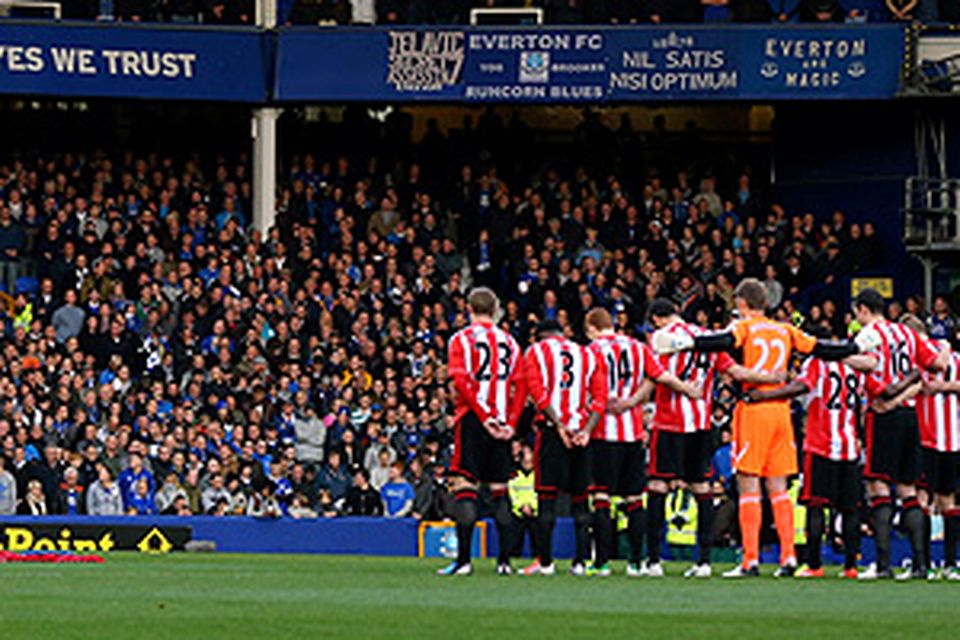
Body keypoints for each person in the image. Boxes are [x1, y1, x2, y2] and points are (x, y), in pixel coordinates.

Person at [652, 278, 879, 577]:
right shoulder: (785, 330)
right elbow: (821, 349)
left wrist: (688, 343)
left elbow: (723, 342)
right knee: (778, 487)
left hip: (754, 408)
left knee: (748, 485)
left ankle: (750, 560)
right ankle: (787, 558)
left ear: (743, 302)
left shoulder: (745, 327)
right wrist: (853, 347)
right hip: (782, 414)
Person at [645, 299, 786, 579]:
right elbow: (735, 372)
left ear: (658, 319)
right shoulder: (708, 338)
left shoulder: (662, 338)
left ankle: (653, 561)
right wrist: (770, 378)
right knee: (702, 489)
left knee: (658, 486)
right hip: (700, 424)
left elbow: (657, 375)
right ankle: (705, 561)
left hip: (669, 422)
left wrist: (683, 388)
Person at [748, 326, 881, 579]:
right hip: (850, 445)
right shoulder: (856, 367)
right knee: (850, 509)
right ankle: (851, 566)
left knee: (815, 507)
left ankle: (814, 564)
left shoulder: (817, 362)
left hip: (820, 445)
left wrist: (767, 396)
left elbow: (800, 387)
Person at [583, 306, 701, 578]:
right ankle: (636, 562)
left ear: (591, 327)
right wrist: (686, 389)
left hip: (604, 431)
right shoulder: (637, 347)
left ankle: (601, 563)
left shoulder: (592, 351)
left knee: (601, 497)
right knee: (634, 498)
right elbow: (660, 376)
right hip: (633, 431)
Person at [851, 290, 948, 580]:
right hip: (910, 415)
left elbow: (868, 372)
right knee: (908, 490)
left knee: (879, 488)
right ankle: (920, 565)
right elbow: (937, 364)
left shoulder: (869, 334)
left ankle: (883, 566)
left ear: (863, 310)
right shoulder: (908, 333)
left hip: (883, 415)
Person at [439, 287, 525, 577]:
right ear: (496, 308)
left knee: (466, 486)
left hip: (474, 419)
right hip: (502, 422)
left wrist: (484, 416)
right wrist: (510, 423)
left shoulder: (461, 339)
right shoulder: (510, 342)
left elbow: (461, 382)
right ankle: (504, 562)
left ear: (468, 308)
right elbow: (520, 386)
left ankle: (463, 561)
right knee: (500, 491)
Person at [521, 319, 608, 577]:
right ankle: (579, 562)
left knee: (547, 500)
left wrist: (559, 424)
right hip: (582, 433)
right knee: (580, 502)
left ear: (540, 336)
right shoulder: (587, 353)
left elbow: (538, 393)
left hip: (552, 433)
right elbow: (600, 398)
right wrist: (587, 430)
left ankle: (546, 563)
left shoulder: (536, 352)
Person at [904, 316, 960, 581]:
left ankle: (922, 564)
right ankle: (950, 564)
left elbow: (918, 386)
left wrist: (939, 387)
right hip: (952, 438)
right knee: (947, 501)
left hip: (926, 437)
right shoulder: (953, 357)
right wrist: (948, 387)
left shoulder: (915, 358)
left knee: (922, 498)